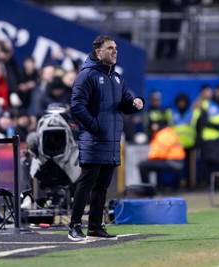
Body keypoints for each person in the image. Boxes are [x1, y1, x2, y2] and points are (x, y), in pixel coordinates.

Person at [68, 35, 144, 241]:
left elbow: (126, 102)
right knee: (86, 183)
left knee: (102, 186)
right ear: (98, 52)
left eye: (116, 48)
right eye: (110, 48)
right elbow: (76, 106)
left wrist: (137, 102)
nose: (115, 51)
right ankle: (74, 226)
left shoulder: (116, 77)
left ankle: (94, 226)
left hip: (110, 141)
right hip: (93, 140)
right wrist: (95, 127)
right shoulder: (87, 75)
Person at [167, 93, 199, 189]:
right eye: (180, 102)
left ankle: (190, 184)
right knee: (176, 166)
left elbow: (197, 128)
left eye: (183, 102)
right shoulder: (171, 113)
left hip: (189, 144)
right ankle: (176, 184)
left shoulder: (193, 113)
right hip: (175, 145)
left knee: (189, 167)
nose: (181, 104)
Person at [138, 124, 185, 192]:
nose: (153, 127)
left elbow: (160, 152)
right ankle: (157, 188)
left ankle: (147, 190)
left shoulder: (164, 134)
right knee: (153, 164)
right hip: (174, 160)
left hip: (173, 161)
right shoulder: (167, 132)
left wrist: (149, 159)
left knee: (143, 165)